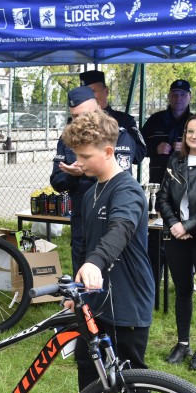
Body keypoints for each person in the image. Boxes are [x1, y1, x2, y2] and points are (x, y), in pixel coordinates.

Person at [48, 109, 155, 393]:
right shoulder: (93, 188)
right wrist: (78, 291)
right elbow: (87, 242)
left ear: (108, 152)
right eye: (76, 155)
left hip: (128, 297)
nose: (79, 163)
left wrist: (95, 262)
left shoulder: (128, 191)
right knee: (87, 361)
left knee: (128, 373)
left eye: (85, 156)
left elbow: (119, 231)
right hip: (95, 295)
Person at [50, 86, 144, 274]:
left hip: (112, 223)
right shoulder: (68, 138)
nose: (80, 123)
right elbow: (57, 180)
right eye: (74, 117)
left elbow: (120, 226)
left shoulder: (119, 136)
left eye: (85, 156)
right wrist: (72, 176)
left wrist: (95, 262)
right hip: (82, 213)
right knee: (82, 263)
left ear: (98, 109)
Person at [155, 113, 196, 371]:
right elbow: (162, 198)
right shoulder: (175, 160)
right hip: (176, 236)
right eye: (189, 131)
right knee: (181, 290)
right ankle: (183, 343)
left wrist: (189, 225)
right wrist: (174, 225)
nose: (193, 136)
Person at [79, 69, 146, 164]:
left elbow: (139, 154)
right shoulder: (76, 122)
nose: (89, 96)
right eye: (85, 93)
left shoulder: (124, 120)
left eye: (93, 91)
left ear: (106, 91)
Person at [141, 79, 193, 185]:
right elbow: (139, 147)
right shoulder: (155, 119)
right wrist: (156, 149)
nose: (178, 98)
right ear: (169, 96)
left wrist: (187, 149)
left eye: (183, 94)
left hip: (188, 180)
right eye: (174, 94)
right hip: (159, 179)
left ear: (190, 97)